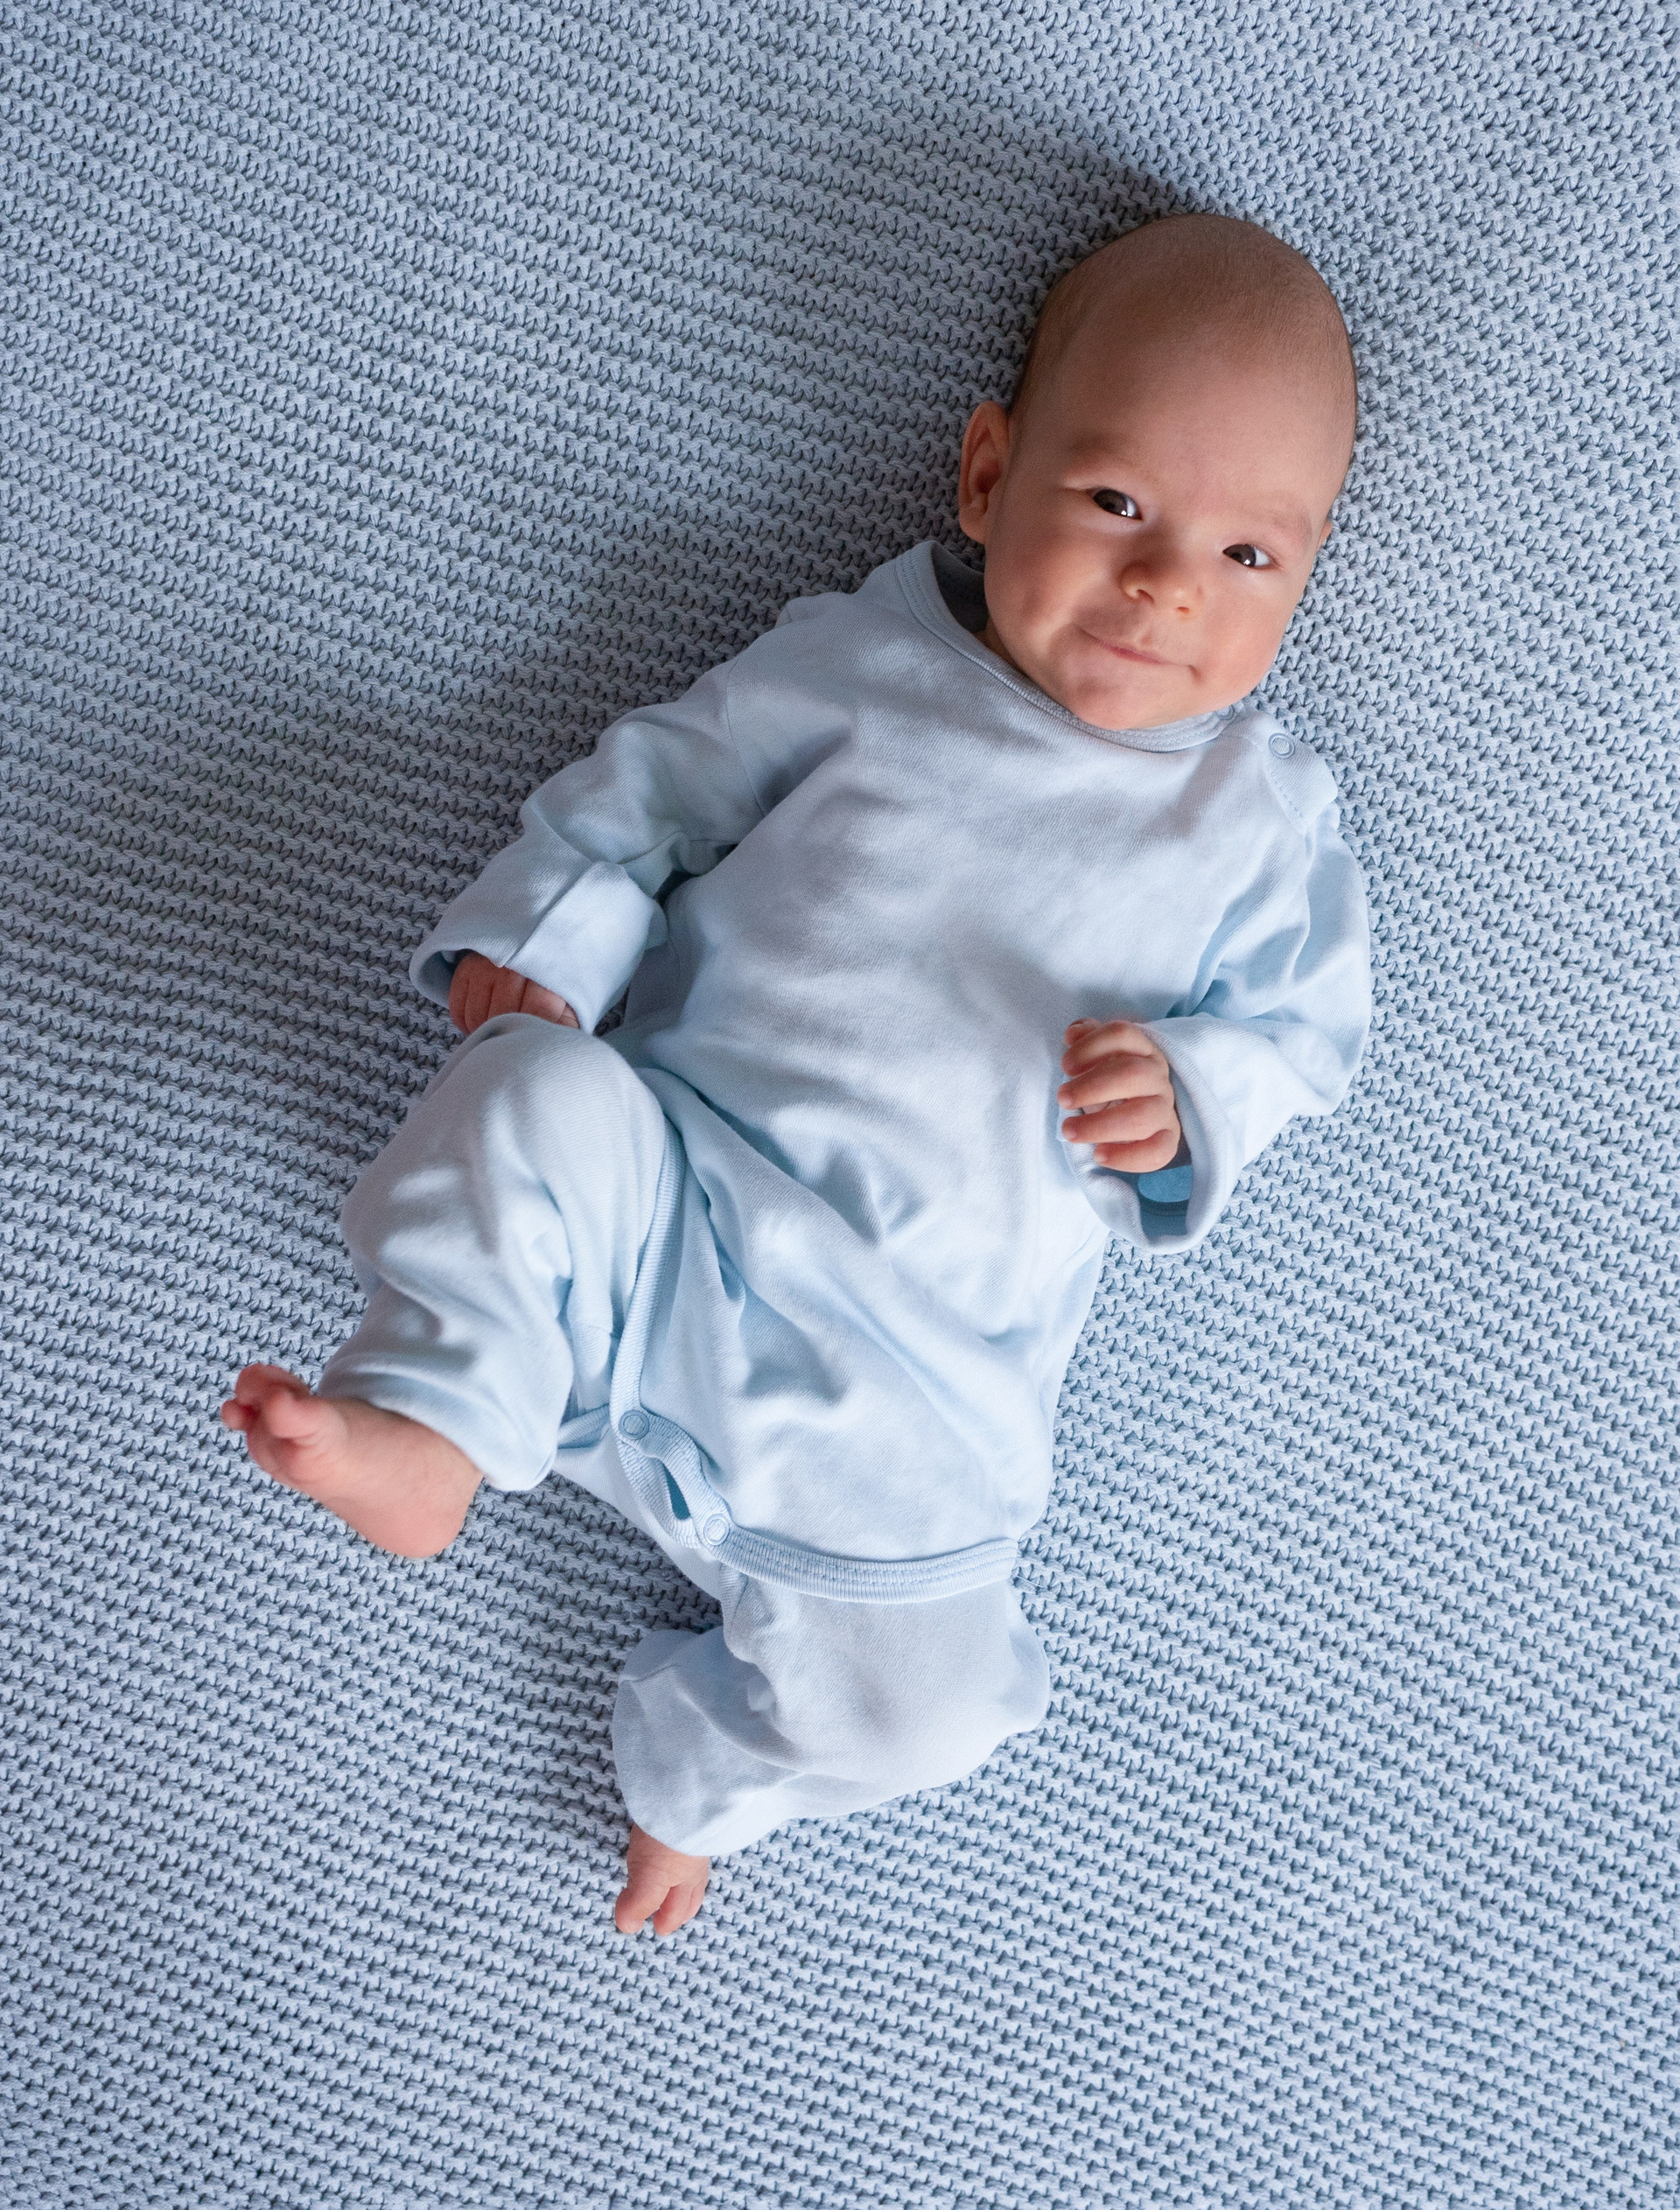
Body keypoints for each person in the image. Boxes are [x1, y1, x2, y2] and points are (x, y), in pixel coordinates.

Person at [222, 212, 1370, 1937]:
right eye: (1117, 501)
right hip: (669, 1215)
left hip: (910, 1402)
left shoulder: (1259, 823)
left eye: (1249, 553)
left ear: (1304, 575)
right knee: (532, 1094)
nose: (1166, 586)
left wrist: (1193, 1092)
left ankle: (694, 1779)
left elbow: (1307, 1038)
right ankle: (432, 1417)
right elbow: (653, 795)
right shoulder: (862, 661)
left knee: (935, 1710)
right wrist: (550, 940)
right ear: (988, 475)